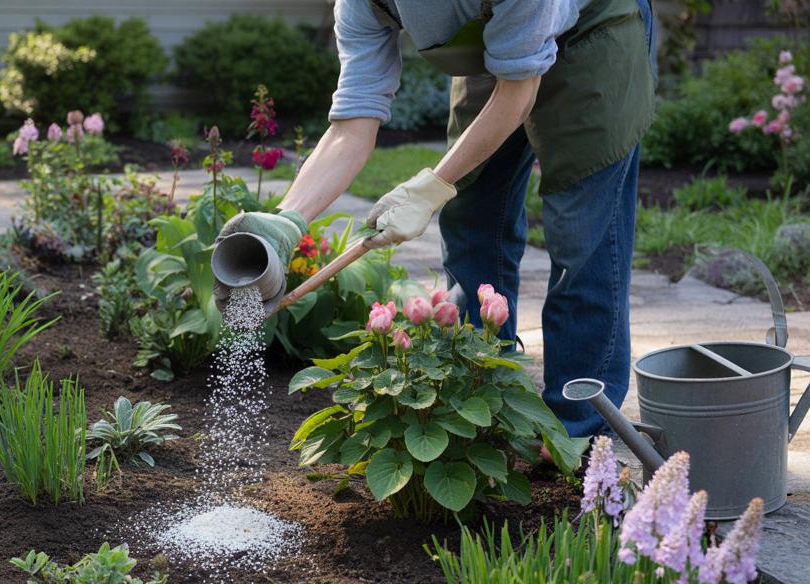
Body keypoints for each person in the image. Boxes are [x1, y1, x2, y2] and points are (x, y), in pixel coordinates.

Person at [212, 0, 656, 438]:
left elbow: (518, 92)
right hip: (496, 47)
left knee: (581, 238)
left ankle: (576, 434)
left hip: (592, 38)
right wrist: (288, 222)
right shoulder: (363, 4)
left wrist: (428, 189)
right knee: (469, 214)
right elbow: (353, 121)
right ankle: (482, 407)